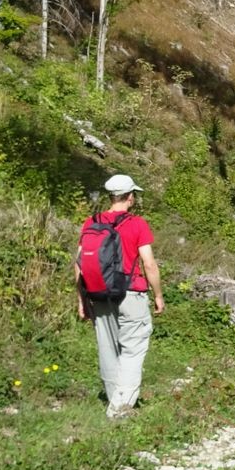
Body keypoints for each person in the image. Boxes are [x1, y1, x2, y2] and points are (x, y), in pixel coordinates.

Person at [76, 174, 164, 418]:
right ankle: (119, 409)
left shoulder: (91, 222)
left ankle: (114, 400)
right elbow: (149, 264)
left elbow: (80, 262)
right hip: (131, 293)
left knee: (108, 349)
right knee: (133, 350)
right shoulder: (137, 224)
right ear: (130, 197)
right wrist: (158, 295)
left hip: (98, 293)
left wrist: (81, 299)